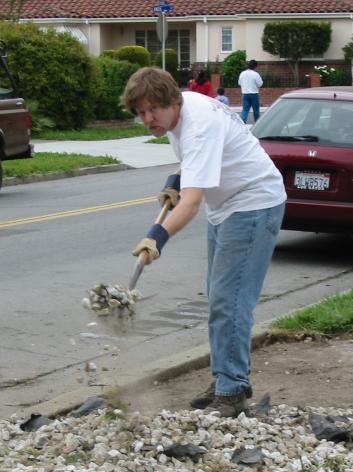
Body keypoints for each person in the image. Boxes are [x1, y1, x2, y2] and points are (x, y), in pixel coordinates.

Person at [122, 67, 286, 417]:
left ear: (170, 100)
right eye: (141, 113)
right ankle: (228, 379)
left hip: (253, 204)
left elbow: (192, 203)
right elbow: (195, 165)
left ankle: (231, 390)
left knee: (231, 300)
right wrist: (175, 181)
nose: (148, 119)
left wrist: (157, 238)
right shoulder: (181, 113)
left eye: (152, 110)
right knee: (219, 297)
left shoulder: (198, 124)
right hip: (226, 207)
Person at [238, 59, 263, 124]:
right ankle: (257, 123)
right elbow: (260, 84)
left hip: (245, 94)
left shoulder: (242, 73)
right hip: (254, 94)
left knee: (245, 110)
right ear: (255, 66)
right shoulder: (256, 74)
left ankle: (242, 123)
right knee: (256, 111)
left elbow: (239, 83)